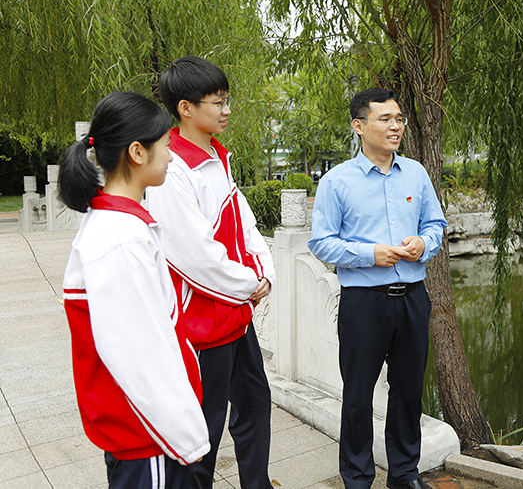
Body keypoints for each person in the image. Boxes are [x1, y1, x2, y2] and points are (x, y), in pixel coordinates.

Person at [60, 91, 210, 488]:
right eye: (166, 145)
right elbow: (138, 356)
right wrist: (187, 437)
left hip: (147, 434)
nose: (172, 157)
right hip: (147, 438)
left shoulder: (121, 226)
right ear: (138, 153)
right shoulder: (120, 238)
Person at [146, 56, 276, 489]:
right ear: (186, 108)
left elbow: (245, 223)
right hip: (202, 320)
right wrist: (248, 284)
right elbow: (193, 254)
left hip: (236, 313)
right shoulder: (172, 167)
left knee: (255, 403)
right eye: (217, 102)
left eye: (226, 100)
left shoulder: (217, 155)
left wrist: (265, 271)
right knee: (204, 424)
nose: (227, 110)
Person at [308, 88, 448, 489]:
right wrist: (370, 254)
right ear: (359, 125)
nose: (395, 126)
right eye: (384, 119)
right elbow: (321, 243)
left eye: (399, 119)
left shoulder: (416, 173)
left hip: (413, 299)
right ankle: (357, 478)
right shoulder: (337, 182)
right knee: (357, 395)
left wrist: (424, 243)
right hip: (364, 304)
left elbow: (435, 225)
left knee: (408, 391)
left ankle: (404, 474)